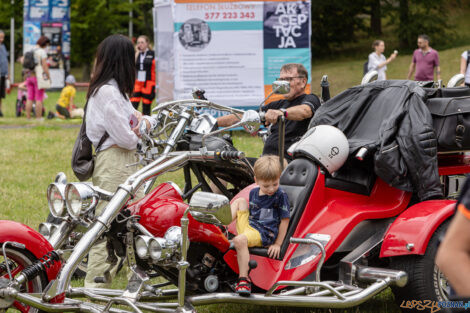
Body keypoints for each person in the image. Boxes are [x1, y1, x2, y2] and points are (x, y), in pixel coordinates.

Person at [84, 34, 156, 288]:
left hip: (123, 161)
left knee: (129, 224)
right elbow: (128, 137)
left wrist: (141, 125)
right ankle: (95, 288)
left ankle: (129, 282)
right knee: (106, 227)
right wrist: (139, 127)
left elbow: (142, 120)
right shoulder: (108, 93)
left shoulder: (115, 91)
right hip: (115, 162)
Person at [217, 63, 321, 161]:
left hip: (289, 164)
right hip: (267, 162)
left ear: (303, 82)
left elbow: (304, 111)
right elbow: (243, 116)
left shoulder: (310, 99)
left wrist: (281, 113)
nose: (283, 84)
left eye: (288, 79)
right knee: (222, 163)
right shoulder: (278, 104)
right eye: (281, 80)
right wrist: (213, 122)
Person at [230, 155, 290, 296]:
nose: (271, 189)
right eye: (266, 186)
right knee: (240, 201)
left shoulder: (280, 195)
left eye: (275, 184)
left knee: (239, 240)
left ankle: (244, 279)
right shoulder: (253, 192)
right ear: (256, 181)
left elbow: (285, 220)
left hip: (264, 233)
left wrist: (277, 244)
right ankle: (219, 223)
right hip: (251, 227)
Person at [25, 35, 51, 119]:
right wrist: (48, 76)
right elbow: (44, 66)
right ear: (44, 44)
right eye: (47, 45)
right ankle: (38, 117)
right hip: (38, 78)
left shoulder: (31, 49)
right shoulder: (42, 52)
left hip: (29, 76)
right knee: (39, 98)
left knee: (30, 98)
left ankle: (28, 117)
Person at [130, 35, 156, 116]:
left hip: (148, 82)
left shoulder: (153, 54)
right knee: (133, 104)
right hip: (138, 82)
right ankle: (132, 125)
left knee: (146, 105)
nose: (140, 44)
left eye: (142, 42)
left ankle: (146, 125)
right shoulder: (136, 54)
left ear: (147, 43)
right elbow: (131, 65)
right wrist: (137, 52)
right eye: (138, 43)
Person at [0, 30, 9, 117]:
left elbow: (6, 60)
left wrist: (8, 73)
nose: (1, 39)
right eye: (0, 37)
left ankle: (0, 110)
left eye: (3, 37)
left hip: (3, 74)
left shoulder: (3, 47)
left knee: (1, 94)